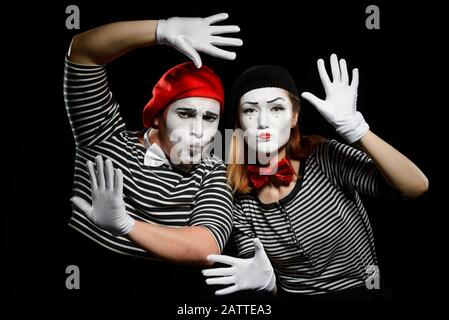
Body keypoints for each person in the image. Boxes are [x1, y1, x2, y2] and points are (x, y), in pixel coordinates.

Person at [202, 54, 429, 300]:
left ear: (294, 117)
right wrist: (267, 283)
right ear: (238, 123)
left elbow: (415, 187)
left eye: (277, 108)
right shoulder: (239, 196)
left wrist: (356, 128)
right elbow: (262, 274)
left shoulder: (325, 157)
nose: (263, 121)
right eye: (250, 111)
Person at [64, 13, 242, 297]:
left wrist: (126, 225)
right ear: (157, 117)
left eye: (210, 118)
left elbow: (207, 246)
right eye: (185, 114)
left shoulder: (213, 171)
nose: (199, 131)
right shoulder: (102, 135)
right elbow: (83, 51)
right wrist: (161, 30)